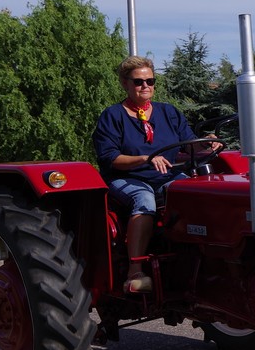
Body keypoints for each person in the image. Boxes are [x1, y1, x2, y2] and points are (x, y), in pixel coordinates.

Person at [92, 55, 216, 293]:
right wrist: (145, 159)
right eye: (138, 82)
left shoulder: (168, 112)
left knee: (195, 193)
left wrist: (207, 143)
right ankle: (135, 272)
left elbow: (189, 144)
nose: (145, 86)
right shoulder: (113, 115)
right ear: (125, 83)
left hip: (165, 176)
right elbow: (110, 158)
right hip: (127, 177)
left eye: (150, 81)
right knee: (145, 199)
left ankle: (197, 262)